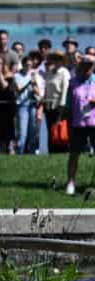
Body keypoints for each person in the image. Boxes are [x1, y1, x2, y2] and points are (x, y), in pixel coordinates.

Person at [66, 55, 95, 195]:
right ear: (80, 66)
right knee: (74, 154)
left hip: (94, 123)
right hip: (78, 124)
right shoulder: (72, 82)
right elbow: (68, 105)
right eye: (85, 64)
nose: (88, 67)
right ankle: (71, 182)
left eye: (91, 65)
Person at [13, 56, 44, 154]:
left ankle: (31, 152)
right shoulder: (17, 76)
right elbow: (19, 89)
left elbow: (38, 92)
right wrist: (28, 83)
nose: (28, 66)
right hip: (22, 105)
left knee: (33, 131)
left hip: (33, 105)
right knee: (22, 132)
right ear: (23, 64)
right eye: (27, 64)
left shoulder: (35, 75)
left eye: (30, 65)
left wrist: (34, 84)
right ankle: (20, 152)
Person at [43, 50, 71, 153]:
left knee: (60, 129)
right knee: (50, 130)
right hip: (48, 105)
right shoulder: (50, 73)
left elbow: (65, 90)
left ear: (61, 61)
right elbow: (47, 88)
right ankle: (51, 151)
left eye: (58, 59)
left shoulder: (64, 72)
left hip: (59, 106)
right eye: (54, 59)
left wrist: (62, 106)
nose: (56, 61)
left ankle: (62, 151)